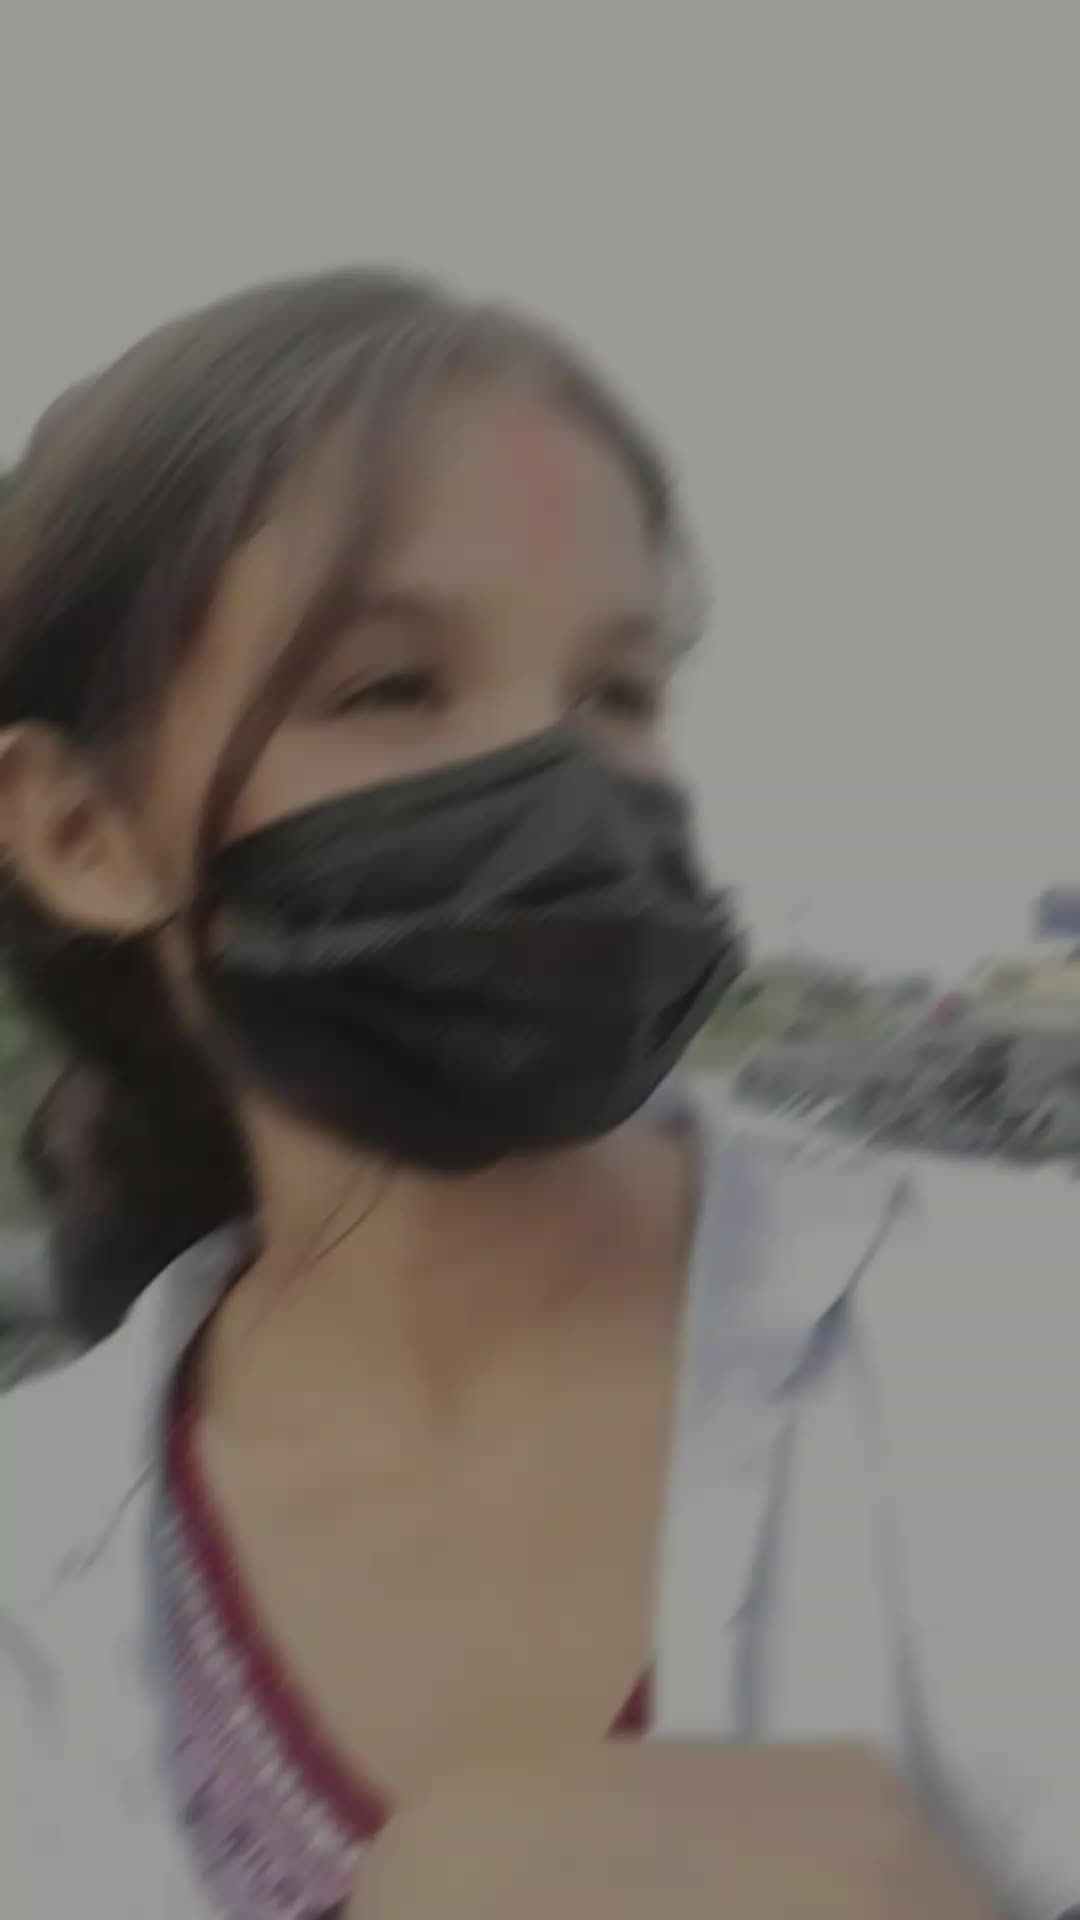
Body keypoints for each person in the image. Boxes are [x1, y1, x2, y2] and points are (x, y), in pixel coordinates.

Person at [0, 271, 1077, 1920]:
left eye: (616, 693)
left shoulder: (1022, 1355)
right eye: (392, 687)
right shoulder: (35, 1570)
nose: (566, 783)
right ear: (82, 833)